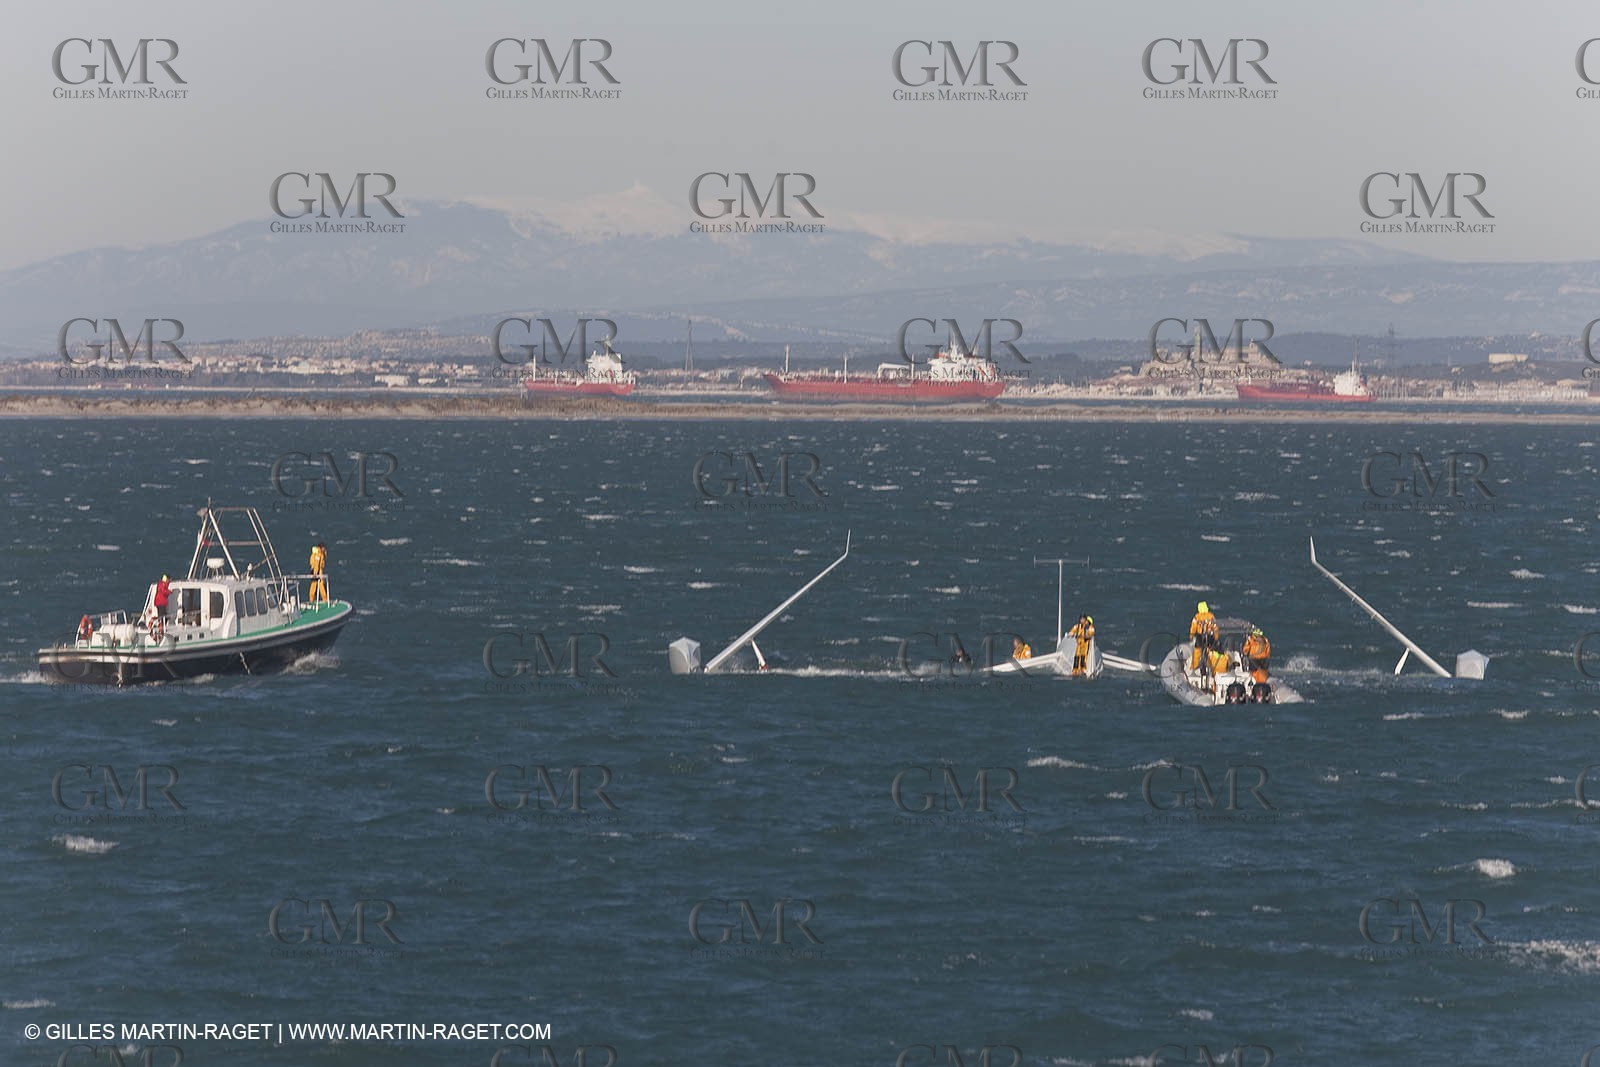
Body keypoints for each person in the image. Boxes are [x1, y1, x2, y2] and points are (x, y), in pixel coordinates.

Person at [1189, 601, 1218, 670]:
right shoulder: (1211, 616)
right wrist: (1216, 637)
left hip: (1200, 636)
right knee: (1210, 651)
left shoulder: (1197, 617)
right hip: (1210, 636)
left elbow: (1193, 627)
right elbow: (1215, 627)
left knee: (1197, 652)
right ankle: (1211, 666)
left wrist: (1191, 635)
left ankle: (1193, 667)